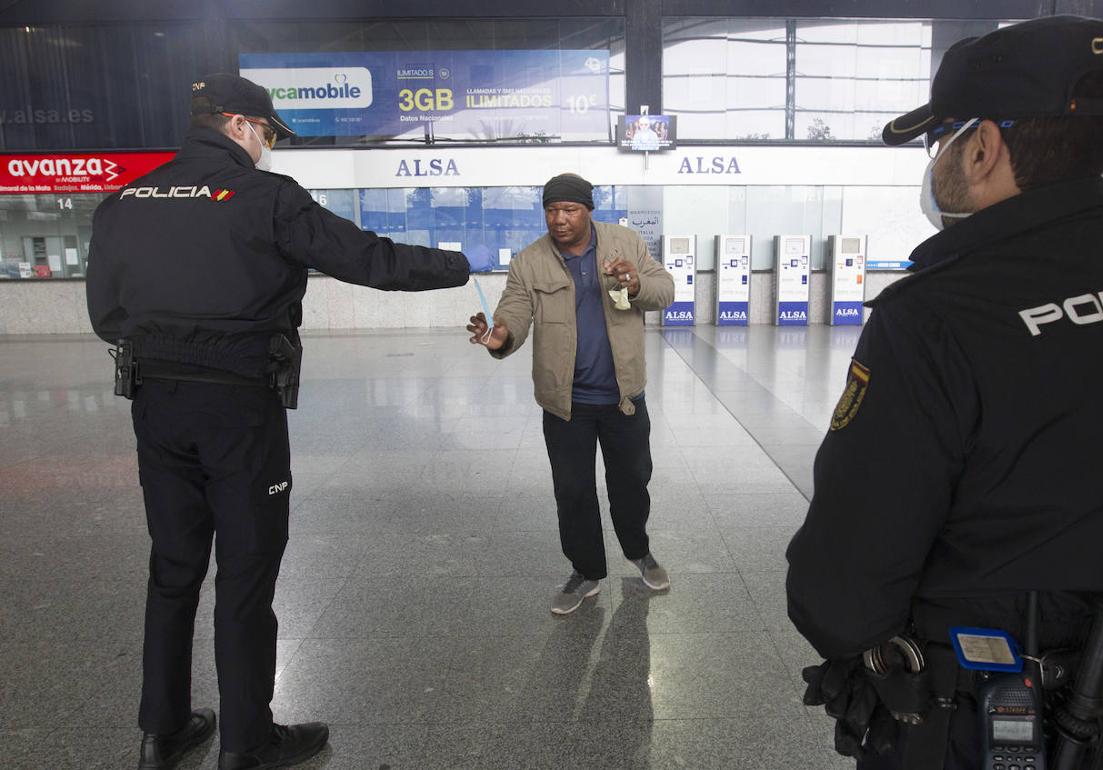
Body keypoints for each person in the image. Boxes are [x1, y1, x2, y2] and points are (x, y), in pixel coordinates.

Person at [785, 16, 1103, 770]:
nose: (935, 162)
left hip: (954, 713)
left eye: (941, 141)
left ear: (983, 146)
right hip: (1093, 697)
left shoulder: (935, 316)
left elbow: (845, 593)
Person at [86, 73, 470, 770]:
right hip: (238, 410)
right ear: (239, 124)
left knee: (172, 570)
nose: (267, 147)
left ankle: (162, 729)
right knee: (245, 572)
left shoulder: (123, 201)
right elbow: (366, 259)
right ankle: (246, 741)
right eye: (267, 133)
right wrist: (458, 265)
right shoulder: (264, 198)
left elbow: (105, 317)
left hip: (156, 405)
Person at [467, 173, 676, 614]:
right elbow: (514, 314)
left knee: (632, 482)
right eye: (551, 210)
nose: (559, 219)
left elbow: (664, 291)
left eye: (569, 210)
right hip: (566, 404)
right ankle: (586, 571)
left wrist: (635, 283)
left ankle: (639, 551)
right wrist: (499, 335)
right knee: (573, 491)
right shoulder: (530, 261)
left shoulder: (625, 243)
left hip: (623, 396)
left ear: (588, 210)